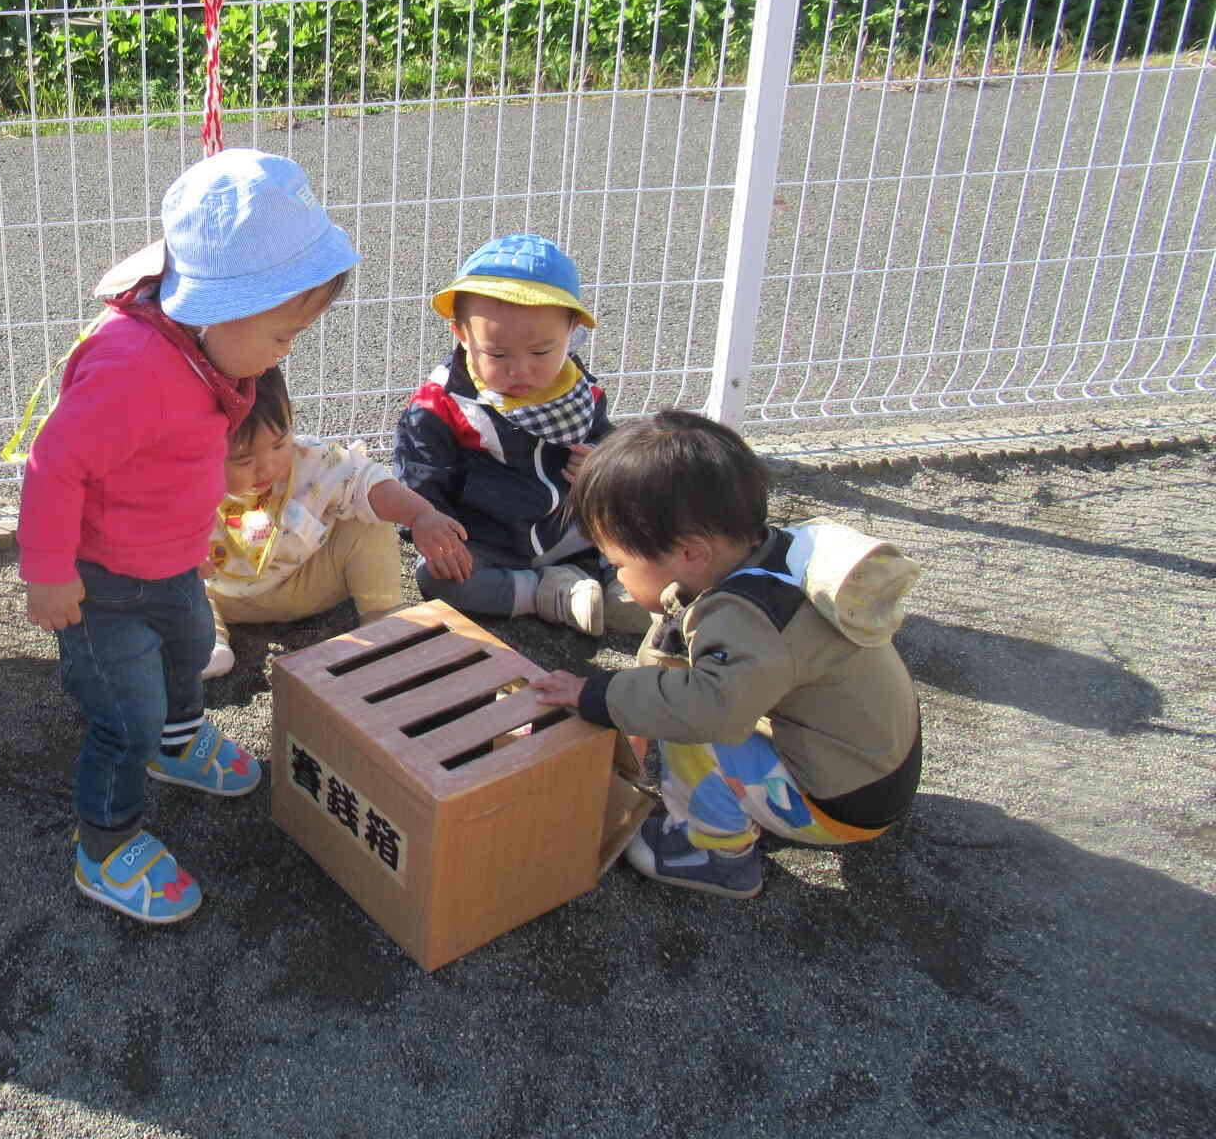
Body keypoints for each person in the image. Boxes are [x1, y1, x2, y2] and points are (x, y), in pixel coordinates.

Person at [18, 149, 357, 924]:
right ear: (217, 306)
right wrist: (45, 571)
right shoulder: (136, 370)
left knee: (187, 651)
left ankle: (179, 742)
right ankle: (106, 843)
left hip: (170, 563)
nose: (286, 352)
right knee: (122, 715)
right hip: (101, 582)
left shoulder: (199, 350)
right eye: (281, 333)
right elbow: (52, 465)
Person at [530, 411, 924, 899]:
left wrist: (598, 695)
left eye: (620, 565)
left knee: (692, 728)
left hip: (842, 803)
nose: (619, 580)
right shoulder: (758, 557)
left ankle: (717, 855)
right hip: (871, 766)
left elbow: (707, 708)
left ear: (691, 553)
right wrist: (627, 714)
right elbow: (674, 636)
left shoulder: (747, 618)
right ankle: (752, 800)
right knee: (675, 699)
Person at [394, 233, 645, 637]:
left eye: (542, 352)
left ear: (572, 332)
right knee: (437, 580)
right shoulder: (439, 405)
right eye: (497, 354)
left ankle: (622, 584)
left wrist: (602, 457)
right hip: (490, 538)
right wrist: (430, 524)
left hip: (568, 523)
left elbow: (604, 435)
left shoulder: (576, 387)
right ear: (461, 334)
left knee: (639, 498)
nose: (520, 369)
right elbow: (421, 477)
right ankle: (544, 593)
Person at [200, 366, 470, 678]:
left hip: (304, 584)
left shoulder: (312, 460)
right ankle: (206, 640)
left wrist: (420, 515)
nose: (267, 467)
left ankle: (383, 612)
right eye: (243, 460)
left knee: (368, 514)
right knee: (174, 581)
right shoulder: (183, 480)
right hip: (223, 596)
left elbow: (365, 479)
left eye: (279, 444)